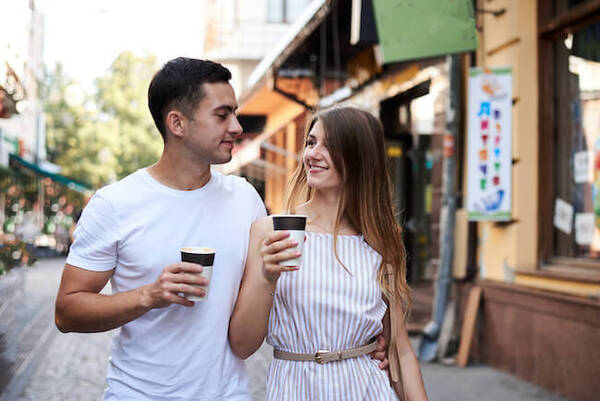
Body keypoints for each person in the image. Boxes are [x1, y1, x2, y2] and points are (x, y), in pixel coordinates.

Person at [54, 58, 267, 401]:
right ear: (177, 123)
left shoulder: (245, 200)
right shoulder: (115, 204)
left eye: (235, 113)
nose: (237, 126)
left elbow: (268, 300)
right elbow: (67, 312)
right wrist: (148, 296)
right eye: (222, 114)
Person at [229, 106, 429, 400]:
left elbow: (400, 350)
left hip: (366, 390)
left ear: (359, 158)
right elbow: (242, 345)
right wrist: (266, 277)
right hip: (295, 388)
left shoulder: (378, 242)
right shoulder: (269, 232)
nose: (313, 153)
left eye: (329, 145)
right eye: (311, 142)